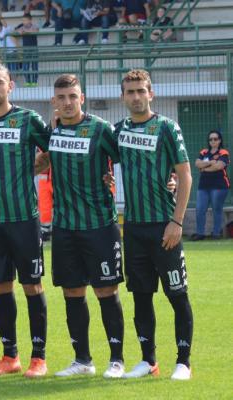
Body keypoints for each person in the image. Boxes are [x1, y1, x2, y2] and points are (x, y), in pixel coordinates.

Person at [42, 74, 127, 378]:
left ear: (82, 98)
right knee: (72, 293)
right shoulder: (50, 131)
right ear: (54, 101)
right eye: (62, 97)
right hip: (65, 227)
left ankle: (116, 359)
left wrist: (114, 178)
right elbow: (40, 162)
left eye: (72, 97)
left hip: (100, 225)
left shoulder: (101, 129)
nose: (67, 102)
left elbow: (127, 158)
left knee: (106, 291)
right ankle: (82, 360)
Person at [0, 63, 50, 378]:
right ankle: (10, 356)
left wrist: (32, 169)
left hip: (23, 218)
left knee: (32, 285)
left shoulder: (28, 119)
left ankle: (39, 357)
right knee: (2, 286)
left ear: (10, 86)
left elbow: (55, 148)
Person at [114, 69, 193, 380]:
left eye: (140, 91)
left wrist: (177, 221)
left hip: (165, 226)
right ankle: (148, 361)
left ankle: (183, 362)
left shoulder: (166, 128)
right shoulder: (117, 131)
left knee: (177, 294)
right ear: (123, 96)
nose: (135, 96)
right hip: (133, 228)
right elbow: (102, 162)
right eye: (130, 91)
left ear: (151, 93)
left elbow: (185, 175)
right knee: (141, 295)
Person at [192, 130, 229, 240]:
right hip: (203, 186)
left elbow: (219, 166)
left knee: (217, 210)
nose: (212, 141)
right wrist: (210, 163)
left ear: (219, 140)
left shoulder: (223, 152)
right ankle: (200, 233)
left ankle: (216, 233)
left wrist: (204, 168)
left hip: (219, 186)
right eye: (210, 139)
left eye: (215, 139)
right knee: (200, 209)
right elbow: (197, 163)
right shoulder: (204, 152)